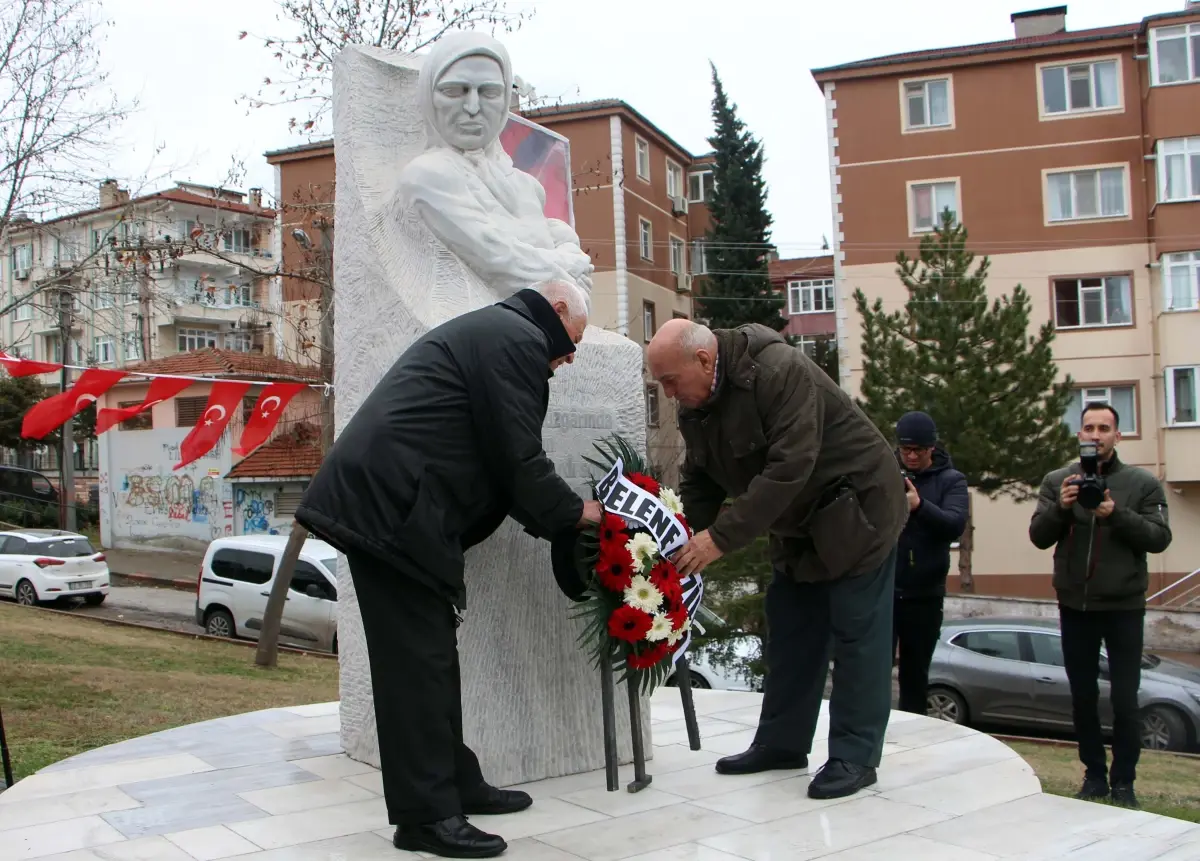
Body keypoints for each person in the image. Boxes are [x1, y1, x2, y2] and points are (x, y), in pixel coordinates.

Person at [295, 280, 602, 858]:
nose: (565, 361)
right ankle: (425, 818)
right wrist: (574, 513)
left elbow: (495, 458)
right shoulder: (515, 338)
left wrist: (558, 520)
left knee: (432, 659)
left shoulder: (500, 332)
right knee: (415, 669)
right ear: (556, 311)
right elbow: (518, 456)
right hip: (391, 511)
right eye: (571, 344)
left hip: (399, 509)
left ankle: (455, 781)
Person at [648, 319, 908, 800]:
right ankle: (782, 743)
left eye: (669, 381)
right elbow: (700, 481)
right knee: (791, 628)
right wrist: (676, 537)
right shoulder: (696, 403)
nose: (667, 394)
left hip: (857, 508)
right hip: (798, 522)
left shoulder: (778, 370)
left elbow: (791, 466)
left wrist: (718, 539)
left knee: (857, 633)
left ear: (704, 360)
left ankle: (855, 756)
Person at [1029, 402, 1171, 810]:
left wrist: (1114, 514)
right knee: (1082, 697)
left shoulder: (1141, 483)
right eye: (1088, 427)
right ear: (1079, 435)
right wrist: (1062, 507)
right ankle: (1093, 776)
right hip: (1076, 604)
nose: (1096, 435)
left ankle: (1123, 782)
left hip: (1124, 605)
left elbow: (1159, 538)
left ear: (1117, 435)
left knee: (1126, 699)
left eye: (1104, 428)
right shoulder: (1058, 480)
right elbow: (1038, 536)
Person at [892, 411, 968, 714]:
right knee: (871, 671)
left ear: (931, 449)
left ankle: (913, 736)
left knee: (914, 676)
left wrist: (920, 506)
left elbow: (954, 524)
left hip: (924, 595)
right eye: (905, 449)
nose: (911, 456)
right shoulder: (887, 474)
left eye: (918, 451)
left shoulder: (951, 480)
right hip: (885, 590)